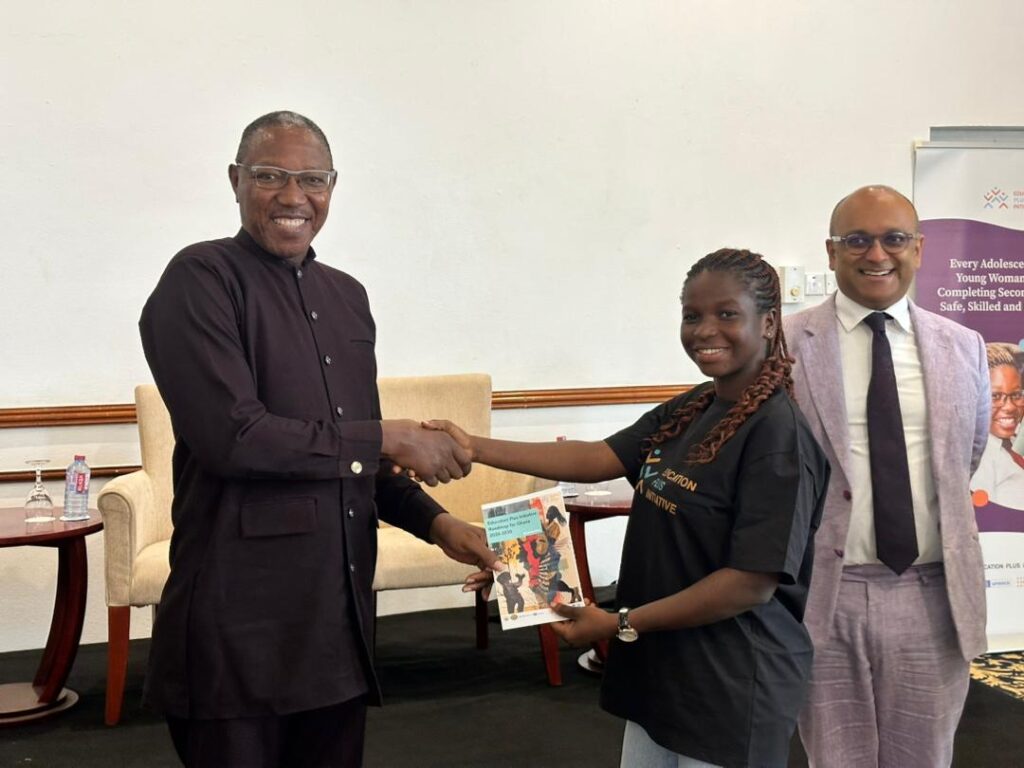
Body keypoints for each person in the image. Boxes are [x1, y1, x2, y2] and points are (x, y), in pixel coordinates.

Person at [139, 110, 499, 768]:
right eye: (269, 175)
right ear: (235, 180)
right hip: (237, 631)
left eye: (312, 179)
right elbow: (234, 438)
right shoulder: (200, 279)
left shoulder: (348, 298)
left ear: (332, 187)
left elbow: (356, 462)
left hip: (336, 627)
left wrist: (441, 525)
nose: (293, 196)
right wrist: (386, 437)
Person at [440, 248, 830, 767]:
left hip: (730, 688)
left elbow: (749, 584)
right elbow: (597, 456)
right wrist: (473, 447)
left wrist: (618, 622)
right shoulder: (694, 407)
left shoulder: (779, 439)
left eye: (726, 314)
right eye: (692, 315)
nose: (704, 330)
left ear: (770, 322)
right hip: (659, 674)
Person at [784, 185, 990, 767]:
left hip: (933, 593)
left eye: (894, 239)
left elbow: (964, 458)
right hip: (824, 594)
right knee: (835, 757)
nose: (877, 255)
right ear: (831, 252)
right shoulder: (784, 345)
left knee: (925, 756)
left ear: (918, 248)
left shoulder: (965, 347)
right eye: (857, 240)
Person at [971, 342, 1024, 509]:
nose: (1009, 407)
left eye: (1016, 395)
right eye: (995, 396)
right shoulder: (979, 459)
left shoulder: (1014, 443)